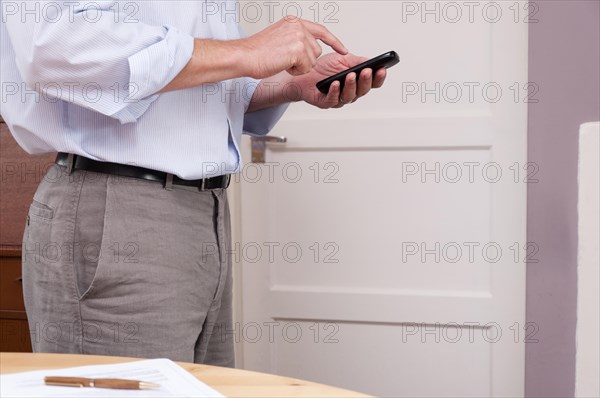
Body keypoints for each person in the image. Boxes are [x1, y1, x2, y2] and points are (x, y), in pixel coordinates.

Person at [0, 1, 386, 366]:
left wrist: (287, 85)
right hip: (116, 211)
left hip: (206, 216)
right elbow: (51, 47)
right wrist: (247, 51)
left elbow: (203, 82)